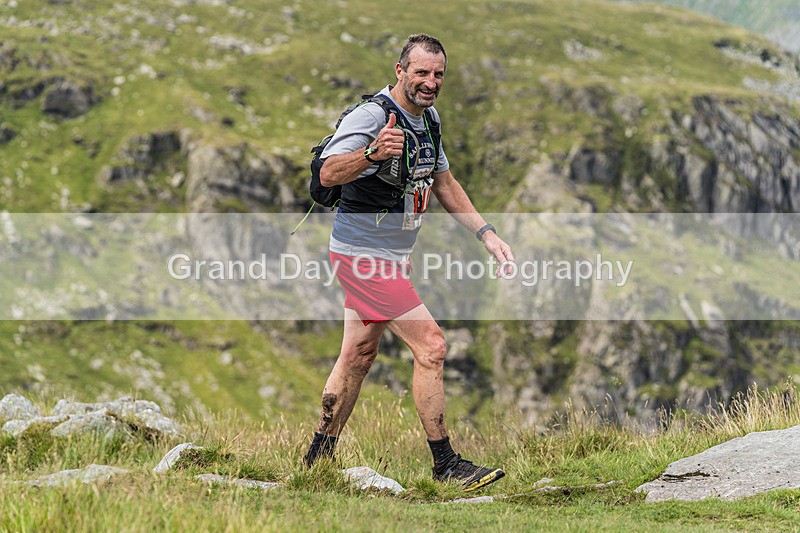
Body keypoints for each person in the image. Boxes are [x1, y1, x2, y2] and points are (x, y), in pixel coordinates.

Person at [303, 33, 514, 492]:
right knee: (432, 346)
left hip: (392, 257)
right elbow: (326, 174)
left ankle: (317, 459)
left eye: (438, 74)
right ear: (400, 71)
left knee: (358, 355)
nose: (430, 82)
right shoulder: (372, 115)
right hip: (362, 256)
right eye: (421, 72)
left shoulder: (429, 120)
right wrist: (373, 153)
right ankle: (446, 464)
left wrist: (487, 233)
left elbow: (444, 183)